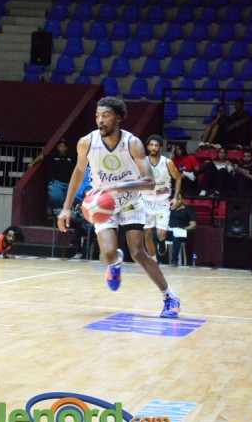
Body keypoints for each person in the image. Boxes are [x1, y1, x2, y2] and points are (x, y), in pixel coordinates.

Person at [57, 96, 181, 319]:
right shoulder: (86, 142)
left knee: (138, 253)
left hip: (131, 201)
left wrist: (117, 186)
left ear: (119, 118)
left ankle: (169, 296)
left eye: (106, 116)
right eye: (98, 116)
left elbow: (149, 181)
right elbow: (78, 171)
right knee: (107, 253)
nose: (100, 120)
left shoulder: (133, 143)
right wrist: (66, 207)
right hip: (104, 204)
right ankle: (114, 263)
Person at [142, 135, 181, 265]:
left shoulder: (167, 162)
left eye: (156, 145)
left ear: (161, 148)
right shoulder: (142, 162)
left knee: (161, 233)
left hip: (162, 203)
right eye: (151, 145)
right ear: (148, 147)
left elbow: (178, 178)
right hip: (146, 202)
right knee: (147, 233)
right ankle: (154, 260)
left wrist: (175, 197)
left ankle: (162, 241)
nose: (154, 147)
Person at [28, 138, 75, 214]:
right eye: (60, 146)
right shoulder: (54, 156)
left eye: (64, 146)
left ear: (66, 148)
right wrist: (32, 163)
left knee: (70, 201)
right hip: (57, 183)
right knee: (57, 199)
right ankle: (51, 206)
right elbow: (42, 157)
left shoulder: (71, 157)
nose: (62, 148)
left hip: (69, 184)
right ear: (57, 148)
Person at [68, 165, 96, 259]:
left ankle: (86, 252)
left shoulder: (96, 203)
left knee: (93, 232)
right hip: (84, 226)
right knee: (77, 230)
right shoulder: (80, 204)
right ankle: (78, 252)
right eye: (85, 193)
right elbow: (76, 214)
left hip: (94, 227)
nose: (86, 194)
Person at [167, 194, 197, 267]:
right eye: (175, 199)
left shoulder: (188, 210)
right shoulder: (168, 209)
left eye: (179, 199)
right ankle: (157, 259)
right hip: (169, 231)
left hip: (181, 232)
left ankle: (174, 260)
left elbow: (193, 225)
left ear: (183, 200)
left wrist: (183, 229)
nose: (176, 201)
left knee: (176, 236)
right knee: (154, 235)